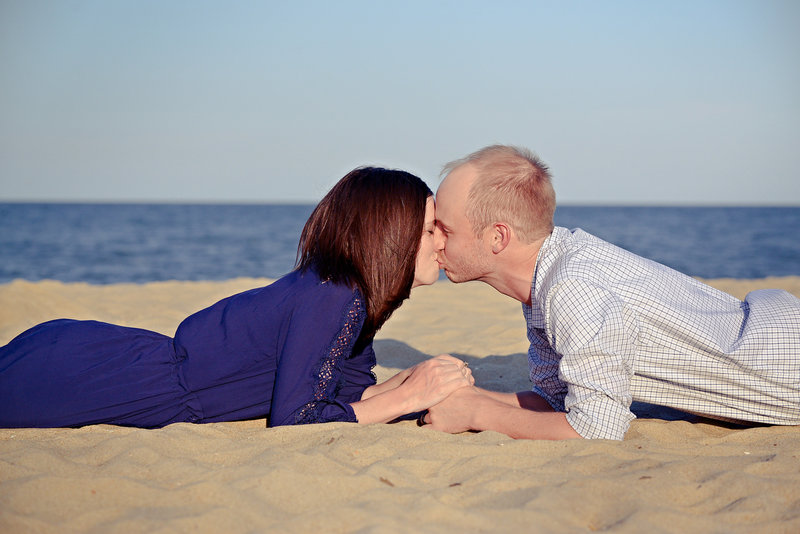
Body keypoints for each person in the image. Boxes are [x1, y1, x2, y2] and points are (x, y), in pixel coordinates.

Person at [0, 167, 473, 429]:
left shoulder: (351, 296)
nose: (440, 241)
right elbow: (298, 418)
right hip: (113, 381)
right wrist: (409, 395)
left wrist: (415, 383)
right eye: (430, 227)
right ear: (388, 233)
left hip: (109, 356)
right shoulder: (335, 297)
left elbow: (342, 394)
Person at [423, 144, 800, 440]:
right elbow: (558, 401)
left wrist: (476, 414)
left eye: (446, 229)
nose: (434, 241)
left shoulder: (572, 290)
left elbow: (597, 428)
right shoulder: (549, 273)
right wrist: (473, 397)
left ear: (497, 237)